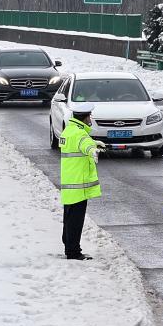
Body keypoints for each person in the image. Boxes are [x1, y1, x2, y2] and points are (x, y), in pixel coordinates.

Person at [59, 103, 106, 260]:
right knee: (75, 221)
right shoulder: (80, 135)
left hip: (70, 184)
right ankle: (73, 252)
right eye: (89, 116)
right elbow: (84, 145)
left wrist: (94, 143)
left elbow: (79, 144)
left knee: (69, 218)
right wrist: (92, 150)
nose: (90, 119)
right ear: (85, 117)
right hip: (79, 186)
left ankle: (69, 246)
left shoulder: (69, 131)